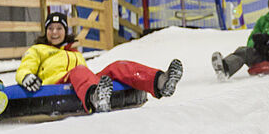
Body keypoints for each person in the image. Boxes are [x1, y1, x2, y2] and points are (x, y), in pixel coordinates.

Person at [17, 10, 183, 113]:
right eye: (50, 29)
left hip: (81, 82)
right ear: (45, 32)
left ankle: (161, 81)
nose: (54, 32)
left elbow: (85, 75)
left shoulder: (75, 53)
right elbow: (24, 67)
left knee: (118, 66)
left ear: (65, 31)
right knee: (79, 71)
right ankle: (95, 98)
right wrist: (26, 77)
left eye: (59, 28)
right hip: (57, 84)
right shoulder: (38, 49)